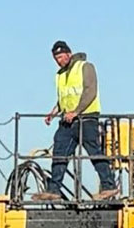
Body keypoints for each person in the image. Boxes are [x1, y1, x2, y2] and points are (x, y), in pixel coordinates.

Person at [42, 39, 118, 199]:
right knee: (59, 152)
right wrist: (54, 112)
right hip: (67, 120)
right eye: (56, 59)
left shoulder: (85, 67)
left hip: (86, 118)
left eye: (61, 57)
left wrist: (76, 112)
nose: (59, 61)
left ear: (69, 54)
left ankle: (109, 186)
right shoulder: (60, 75)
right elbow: (64, 97)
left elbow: (90, 91)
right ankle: (53, 190)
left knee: (93, 151)